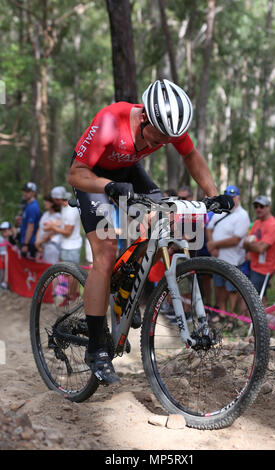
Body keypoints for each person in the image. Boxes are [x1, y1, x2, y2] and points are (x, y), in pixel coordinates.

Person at [67, 78, 234, 385]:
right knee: (105, 253)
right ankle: (95, 349)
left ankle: (125, 285)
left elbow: (191, 156)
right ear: (143, 116)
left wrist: (212, 194)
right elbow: (75, 173)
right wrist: (108, 187)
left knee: (163, 219)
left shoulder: (168, 128)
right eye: (157, 136)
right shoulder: (109, 122)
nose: (159, 143)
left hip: (128, 172)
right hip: (93, 177)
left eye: (168, 138)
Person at [206, 185, 250, 313]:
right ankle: (222, 312)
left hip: (233, 259)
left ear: (238, 197)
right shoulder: (220, 211)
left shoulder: (243, 215)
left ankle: (231, 316)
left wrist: (214, 244)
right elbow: (209, 228)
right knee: (218, 285)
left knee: (232, 289)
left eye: (233, 197)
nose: (231, 199)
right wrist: (211, 245)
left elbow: (236, 239)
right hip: (218, 256)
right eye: (228, 197)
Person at [243, 195, 275, 302]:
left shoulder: (273, 225)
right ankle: (264, 318)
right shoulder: (257, 223)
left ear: (268, 207)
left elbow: (261, 249)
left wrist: (250, 245)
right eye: (256, 206)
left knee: (254, 299)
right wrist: (254, 245)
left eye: (261, 206)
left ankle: (261, 318)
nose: (258, 209)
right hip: (253, 265)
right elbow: (245, 243)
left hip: (264, 269)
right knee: (259, 297)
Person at [44, 186, 82, 265]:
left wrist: (52, 227)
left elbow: (68, 232)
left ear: (57, 199)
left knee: (71, 275)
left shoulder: (70, 211)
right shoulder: (64, 206)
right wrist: (53, 223)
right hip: (66, 246)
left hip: (71, 248)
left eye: (53, 199)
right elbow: (64, 221)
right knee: (65, 274)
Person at [35, 195, 62, 264]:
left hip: (51, 246)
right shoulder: (45, 214)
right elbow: (39, 228)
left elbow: (52, 232)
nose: (45, 203)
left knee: (51, 269)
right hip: (43, 246)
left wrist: (40, 242)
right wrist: (37, 242)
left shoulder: (58, 216)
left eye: (47, 201)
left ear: (53, 203)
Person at [20, 182, 41, 258]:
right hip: (27, 242)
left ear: (34, 193)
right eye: (24, 191)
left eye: (28, 191)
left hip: (29, 244)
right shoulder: (28, 205)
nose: (25, 193)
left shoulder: (33, 207)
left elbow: (30, 227)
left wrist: (25, 244)